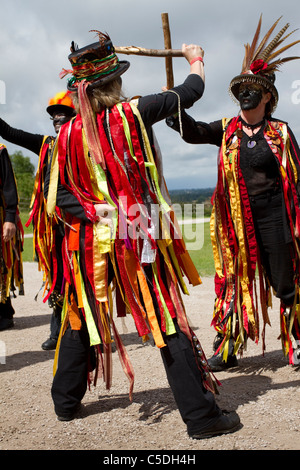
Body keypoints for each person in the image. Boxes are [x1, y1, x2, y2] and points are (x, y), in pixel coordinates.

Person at [43, 30, 241, 439]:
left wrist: (92, 213)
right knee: (167, 319)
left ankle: (65, 402)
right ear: (113, 82)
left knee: (82, 319)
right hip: (136, 237)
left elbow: (59, 197)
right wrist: (195, 57)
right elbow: (190, 91)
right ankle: (202, 418)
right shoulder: (132, 112)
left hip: (88, 242)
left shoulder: (64, 136)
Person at [166, 16, 300, 371]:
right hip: (235, 221)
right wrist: (174, 111)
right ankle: (228, 347)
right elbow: (193, 132)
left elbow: (298, 182)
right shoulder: (226, 129)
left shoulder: (282, 133)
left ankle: (297, 341)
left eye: (251, 87)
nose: (244, 92)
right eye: (239, 87)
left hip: (275, 217)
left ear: (267, 94)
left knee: (285, 280)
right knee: (232, 280)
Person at [0, 91, 76, 348]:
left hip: (81, 224)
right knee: (57, 275)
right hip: (53, 227)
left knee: (84, 277)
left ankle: (88, 334)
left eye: (62, 115)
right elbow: (9, 132)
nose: (56, 120)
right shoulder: (46, 144)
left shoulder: (87, 144)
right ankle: (57, 332)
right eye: (53, 117)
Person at [0, 144, 24, 330]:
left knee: (2, 264)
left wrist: (10, 218)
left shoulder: (0, 150)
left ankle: (4, 311)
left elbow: (9, 185)